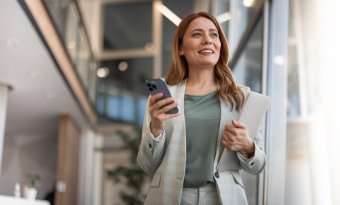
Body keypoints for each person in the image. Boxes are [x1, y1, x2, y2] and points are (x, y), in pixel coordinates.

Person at [137, 11, 266, 205]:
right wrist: (155, 127)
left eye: (213, 34)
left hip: (223, 198)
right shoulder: (163, 97)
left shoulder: (242, 97)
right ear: (180, 48)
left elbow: (258, 165)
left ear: (220, 45)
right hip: (171, 197)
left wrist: (247, 146)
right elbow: (147, 165)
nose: (207, 40)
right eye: (197, 34)